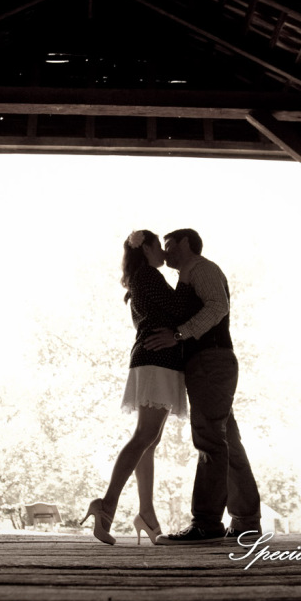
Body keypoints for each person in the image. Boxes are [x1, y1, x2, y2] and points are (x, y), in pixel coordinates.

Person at [143, 228, 262, 544]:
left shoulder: (202, 269)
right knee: (228, 441)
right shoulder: (186, 277)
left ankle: (207, 522)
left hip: (211, 362)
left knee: (209, 439)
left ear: (185, 243)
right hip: (210, 364)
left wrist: (179, 334)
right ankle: (246, 520)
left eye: (169, 244)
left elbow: (217, 307)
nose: (165, 251)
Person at [81, 229, 194, 545]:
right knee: (145, 435)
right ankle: (107, 504)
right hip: (156, 360)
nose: (163, 253)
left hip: (157, 360)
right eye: (159, 246)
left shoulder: (141, 278)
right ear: (146, 248)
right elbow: (180, 309)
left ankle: (145, 513)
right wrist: (186, 274)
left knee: (150, 439)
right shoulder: (148, 277)